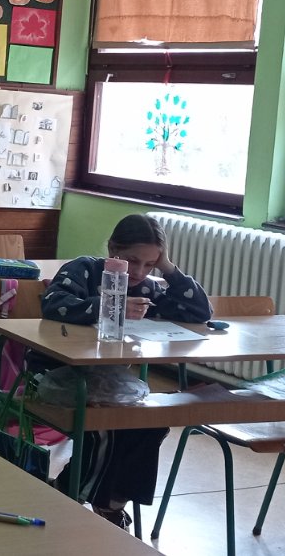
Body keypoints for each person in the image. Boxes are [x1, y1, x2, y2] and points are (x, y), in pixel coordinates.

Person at [37, 214, 212, 528]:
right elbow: (54, 304)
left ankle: (111, 502)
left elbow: (200, 311)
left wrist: (168, 268)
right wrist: (107, 305)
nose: (140, 272)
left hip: (107, 381)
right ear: (113, 250)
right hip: (57, 374)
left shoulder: (147, 287)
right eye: (132, 261)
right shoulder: (84, 269)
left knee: (150, 422)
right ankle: (69, 493)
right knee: (106, 425)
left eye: (150, 264)